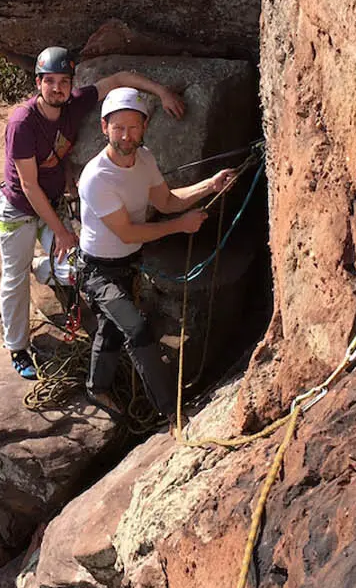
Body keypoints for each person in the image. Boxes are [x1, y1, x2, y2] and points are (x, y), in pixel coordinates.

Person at [0, 48, 185, 380]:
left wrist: (161, 92)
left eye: (64, 82)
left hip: (51, 204)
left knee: (75, 268)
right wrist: (63, 232)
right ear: (38, 83)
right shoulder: (22, 122)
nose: (58, 89)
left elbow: (119, 80)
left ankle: (46, 268)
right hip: (19, 210)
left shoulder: (74, 105)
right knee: (14, 277)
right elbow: (28, 186)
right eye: (50, 81)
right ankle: (17, 347)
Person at [76, 87, 236, 422]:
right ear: (104, 128)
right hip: (97, 271)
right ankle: (171, 411)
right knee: (136, 329)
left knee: (112, 324)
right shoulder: (96, 178)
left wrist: (210, 185)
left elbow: (166, 201)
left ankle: (97, 386)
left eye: (133, 127)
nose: (126, 136)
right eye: (118, 128)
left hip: (127, 263)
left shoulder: (144, 159)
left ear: (144, 127)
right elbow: (128, 232)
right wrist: (181, 226)